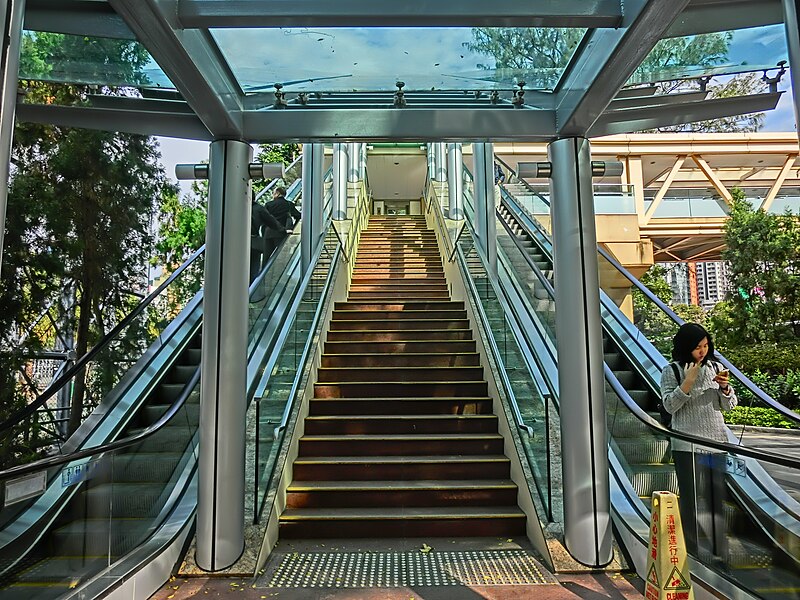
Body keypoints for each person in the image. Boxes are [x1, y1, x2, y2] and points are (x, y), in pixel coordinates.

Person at [660, 323, 737, 563]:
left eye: (705, 346)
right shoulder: (671, 371)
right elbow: (669, 406)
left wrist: (725, 388)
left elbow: (730, 406)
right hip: (686, 445)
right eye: (697, 347)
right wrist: (688, 382)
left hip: (716, 444)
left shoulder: (716, 367)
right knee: (691, 502)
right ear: (686, 347)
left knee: (716, 501)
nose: (702, 351)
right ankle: (692, 554)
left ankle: (720, 554)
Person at [262, 185, 301, 261]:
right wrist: (293, 227)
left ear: (277, 193)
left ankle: (265, 271)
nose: (273, 195)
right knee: (281, 256)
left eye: (273, 193)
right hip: (282, 233)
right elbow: (298, 216)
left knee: (266, 257)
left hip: (269, 233)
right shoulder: (289, 204)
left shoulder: (268, 204)